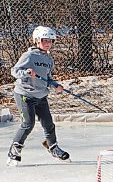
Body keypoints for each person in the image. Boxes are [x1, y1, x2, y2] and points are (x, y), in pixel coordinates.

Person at [7, 26, 70, 166]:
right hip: (25, 94)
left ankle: (53, 147)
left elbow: (47, 77)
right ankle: (14, 150)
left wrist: (55, 85)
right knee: (28, 124)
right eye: (44, 40)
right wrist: (27, 72)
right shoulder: (28, 56)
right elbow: (14, 71)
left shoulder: (48, 59)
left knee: (49, 124)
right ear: (37, 40)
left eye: (50, 41)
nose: (48, 43)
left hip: (41, 96)